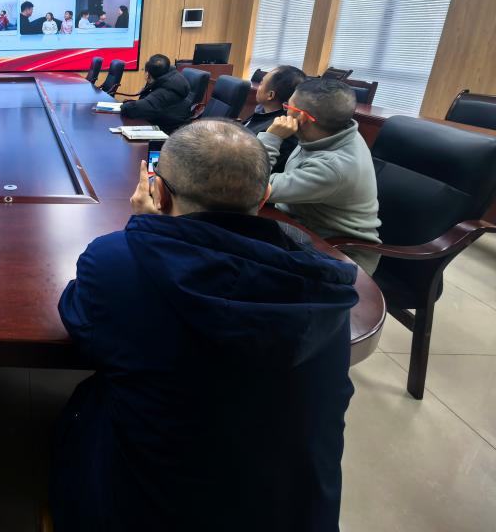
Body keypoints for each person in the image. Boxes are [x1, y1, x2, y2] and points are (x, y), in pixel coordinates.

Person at [52, 120, 359, 532]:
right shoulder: (322, 282)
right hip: (295, 514)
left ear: (159, 194)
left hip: (149, 514)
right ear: (265, 197)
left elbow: (81, 321)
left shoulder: (115, 260)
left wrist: (144, 232)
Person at [258, 77, 381, 274]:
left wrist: (271, 137)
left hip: (337, 254)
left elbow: (253, 187)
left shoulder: (333, 167)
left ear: (302, 117)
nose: (284, 111)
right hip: (298, 227)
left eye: (288, 106)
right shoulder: (331, 131)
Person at [243, 65, 306, 173]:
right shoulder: (263, 111)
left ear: (270, 95)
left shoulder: (280, 131)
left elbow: (253, 170)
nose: (258, 87)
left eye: (261, 83)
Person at [120, 54, 192, 133]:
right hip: (170, 124)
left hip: (170, 133)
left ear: (148, 74)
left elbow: (135, 109)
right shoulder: (172, 77)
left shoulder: (167, 90)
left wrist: (124, 106)